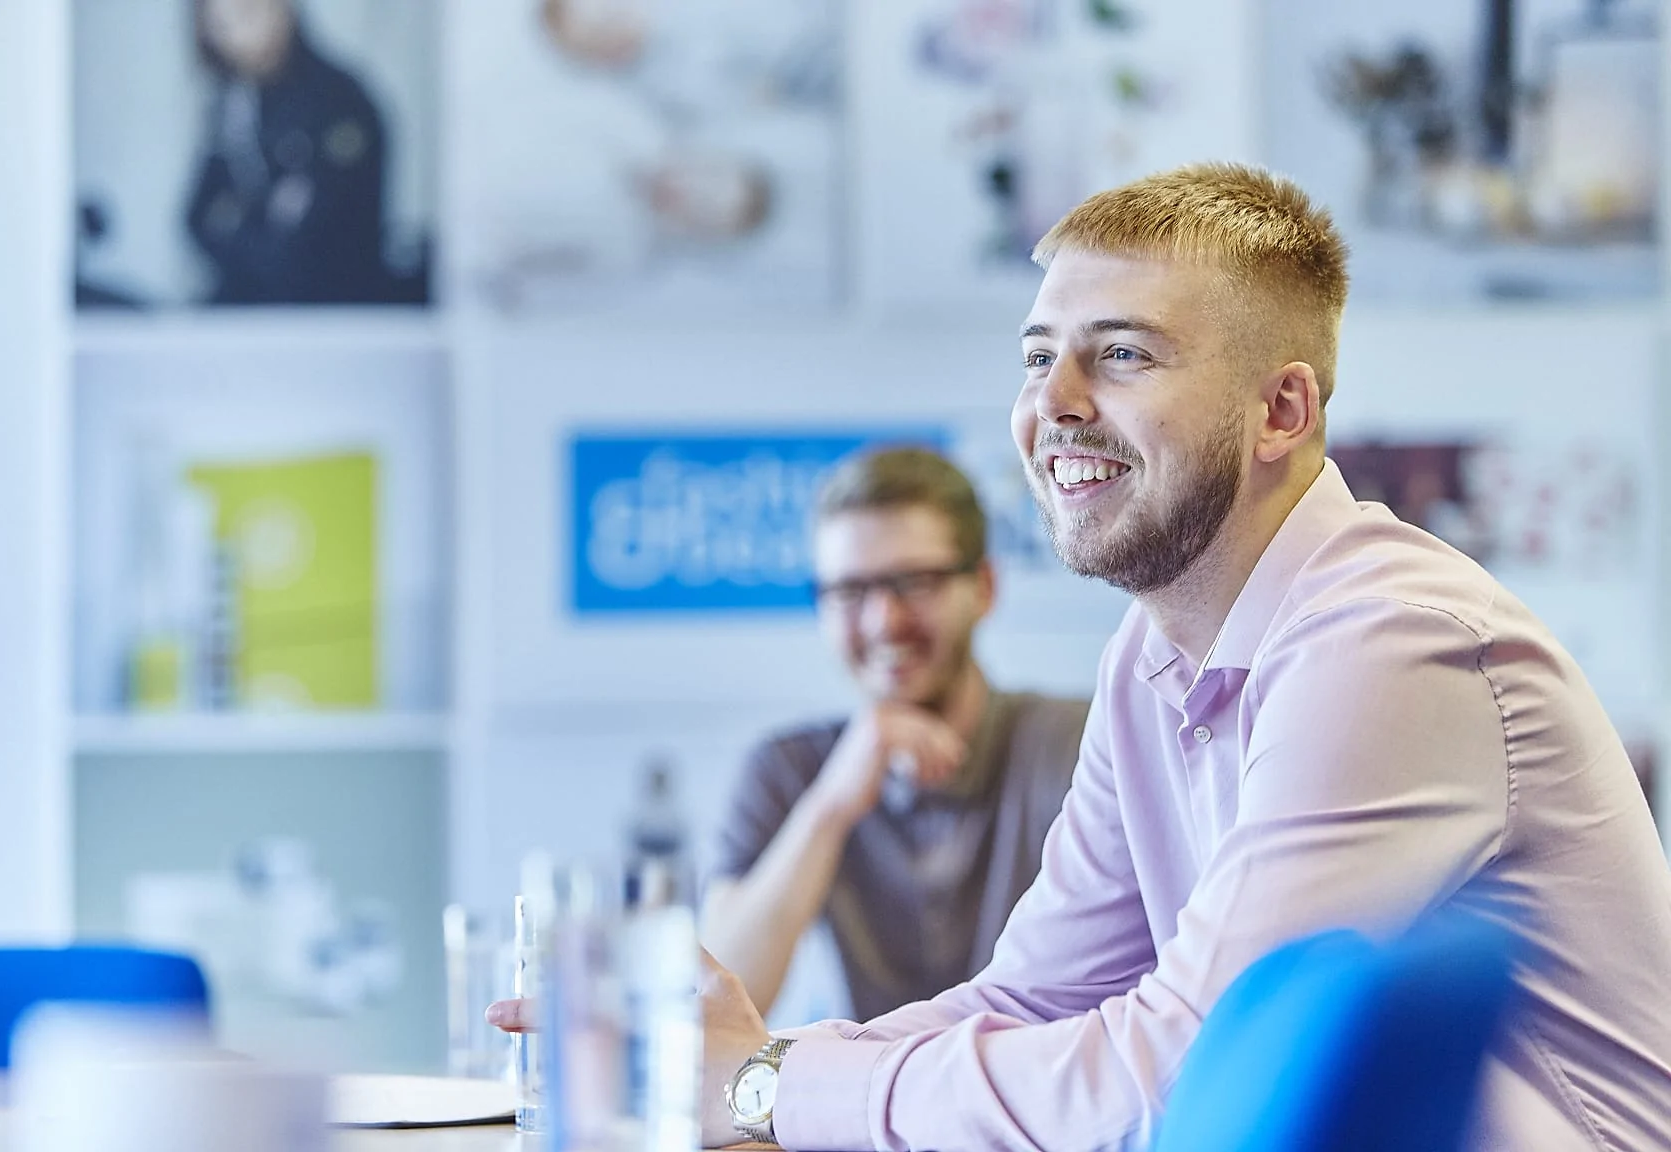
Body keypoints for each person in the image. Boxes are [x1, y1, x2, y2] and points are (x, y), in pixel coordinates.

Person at [489, 162, 1671, 1150]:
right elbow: (1038, 997)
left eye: (1121, 356)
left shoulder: (1391, 638)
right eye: (1036, 353)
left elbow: (1181, 1070)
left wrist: (761, 1091)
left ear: (1282, 413)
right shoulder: (1150, 653)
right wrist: (750, 1067)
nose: (1049, 404)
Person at [700, 447, 1089, 1022]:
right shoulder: (789, 768)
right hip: (858, 1104)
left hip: (1037, 1098)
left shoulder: (1078, 743)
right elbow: (719, 1000)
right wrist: (832, 804)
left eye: (915, 582)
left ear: (983, 587)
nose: (885, 620)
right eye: (851, 592)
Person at [185, 0, 415, 304]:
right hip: (247, 306)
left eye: (245, 13)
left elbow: (315, 236)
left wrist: (241, 224)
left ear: (282, 9)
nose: (234, 34)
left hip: (336, 312)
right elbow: (197, 218)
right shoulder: (233, 104)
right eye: (220, 24)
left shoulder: (339, 100)